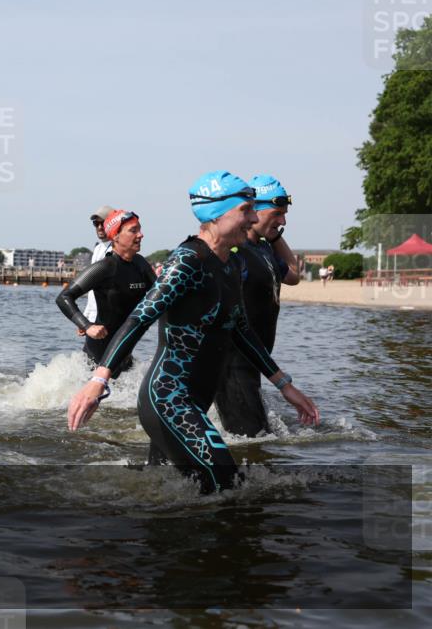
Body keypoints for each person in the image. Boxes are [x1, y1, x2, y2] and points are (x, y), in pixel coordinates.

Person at [66, 171, 320, 494]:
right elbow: (139, 318)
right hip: (168, 399)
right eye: (245, 210)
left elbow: (240, 331)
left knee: (160, 491)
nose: (253, 217)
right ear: (216, 213)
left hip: (192, 404)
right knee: (228, 485)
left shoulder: (231, 265)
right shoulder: (188, 261)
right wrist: (97, 382)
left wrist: (285, 386)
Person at [213, 175, 300, 437]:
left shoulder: (264, 249)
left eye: (284, 215)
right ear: (253, 210)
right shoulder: (234, 254)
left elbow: (294, 275)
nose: (283, 221)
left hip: (254, 364)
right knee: (252, 447)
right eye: (277, 214)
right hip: (232, 367)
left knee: (257, 441)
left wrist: (274, 237)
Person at [56, 210, 156, 374]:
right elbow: (64, 297)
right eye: (133, 230)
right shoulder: (105, 267)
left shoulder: (141, 264)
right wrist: (87, 326)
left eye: (140, 229)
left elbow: (162, 296)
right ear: (115, 236)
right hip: (98, 356)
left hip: (124, 353)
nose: (141, 235)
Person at [81, 205, 115, 336]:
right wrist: (85, 319)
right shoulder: (98, 248)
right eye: (96, 223)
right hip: (93, 319)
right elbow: (91, 288)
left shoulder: (117, 249)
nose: (99, 227)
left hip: (108, 319)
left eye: (103, 223)